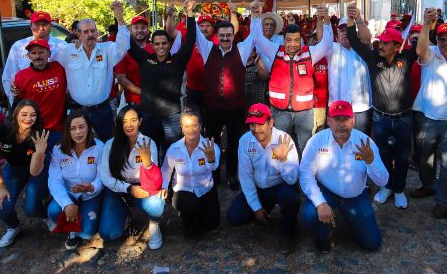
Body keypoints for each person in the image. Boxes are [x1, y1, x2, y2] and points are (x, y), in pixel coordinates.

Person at [347, 9, 418, 209]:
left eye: (386, 43)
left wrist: (429, 24)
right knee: (383, 154)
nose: (381, 45)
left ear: (397, 46)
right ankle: (386, 187)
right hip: (381, 119)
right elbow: (354, 40)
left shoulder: (406, 58)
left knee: (402, 156)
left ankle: (399, 190)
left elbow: (421, 48)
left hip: (403, 119)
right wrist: (353, 19)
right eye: (381, 42)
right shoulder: (373, 59)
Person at [300, 101, 388, 252]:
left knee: (372, 244)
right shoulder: (317, 141)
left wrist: (371, 161)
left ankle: (350, 221)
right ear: (328, 121)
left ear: (353, 120)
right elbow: (306, 174)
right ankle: (325, 231)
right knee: (308, 215)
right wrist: (320, 203)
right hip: (327, 192)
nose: (341, 124)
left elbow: (383, 181)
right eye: (336, 119)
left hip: (355, 196)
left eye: (345, 119)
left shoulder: (365, 143)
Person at [410, 9, 447, 218]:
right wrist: (426, 24)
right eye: (441, 38)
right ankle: (428, 185)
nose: (445, 42)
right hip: (427, 117)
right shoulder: (431, 53)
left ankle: (442, 201)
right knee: (425, 159)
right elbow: (419, 49)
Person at [250, 0, 333, 151]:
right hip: (280, 112)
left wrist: (326, 21)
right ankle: (283, 174)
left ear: (301, 40)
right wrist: (255, 16)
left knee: (305, 148)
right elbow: (257, 38)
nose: (292, 44)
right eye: (288, 40)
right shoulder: (275, 50)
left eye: (296, 40)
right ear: (283, 40)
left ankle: (303, 174)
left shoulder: (309, 53)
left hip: (304, 113)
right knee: (281, 148)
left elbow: (327, 44)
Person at [195, 1, 255, 191]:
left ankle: (231, 173)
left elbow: (255, 35)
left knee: (234, 142)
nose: (226, 38)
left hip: (235, 107)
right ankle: (212, 173)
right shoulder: (207, 49)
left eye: (229, 35)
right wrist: (189, 14)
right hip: (212, 106)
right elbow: (195, 33)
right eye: (222, 36)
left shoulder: (242, 50)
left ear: (233, 35)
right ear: (217, 36)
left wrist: (254, 14)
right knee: (211, 141)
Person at [226, 104, 300, 253]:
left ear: (271, 122)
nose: (256, 129)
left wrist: (284, 160)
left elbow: (292, 179)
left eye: (260, 124)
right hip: (259, 187)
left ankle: (288, 235)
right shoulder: (245, 141)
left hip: (281, 186)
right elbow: (245, 176)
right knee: (234, 216)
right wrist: (256, 207)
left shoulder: (284, 139)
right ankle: (264, 212)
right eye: (252, 124)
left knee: (292, 199)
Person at [129, 0, 197, 160]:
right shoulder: (144, 59)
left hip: (172, 117)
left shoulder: (177, 61)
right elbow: (127, 41)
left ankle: (170, 182)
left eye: (164, 43)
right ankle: (152, 182)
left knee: (171, 154)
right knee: (149, 154)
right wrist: (118, 17)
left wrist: (190, 14)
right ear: (151, 45)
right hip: (148, 115)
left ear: (169, 44)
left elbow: (190, 40)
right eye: (157, 43)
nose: (161, 46)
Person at [53, 1, 130, 141]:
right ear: (78, 34)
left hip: (102, 110)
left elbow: (124, 46)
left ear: (97, 32)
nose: (90, 34)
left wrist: (119, 18)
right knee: (79, 146)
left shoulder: (107, 50)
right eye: (86, 32)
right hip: (78, 110)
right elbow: (44, 54)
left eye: (93, 31)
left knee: (106, 144)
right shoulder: (68, 51)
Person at [100, 105, 165, 249]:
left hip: (143, 186)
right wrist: (129, 189)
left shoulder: (148, 143)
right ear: (119, 123)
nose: (129, 125)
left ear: (140, 121)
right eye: (124, 121)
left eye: (133, 120)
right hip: (118, 188)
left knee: (157, 205)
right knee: (108, 233)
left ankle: (154, 224)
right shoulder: (110, 145)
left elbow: (154, 182)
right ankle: (124, 215)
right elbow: (105, 177)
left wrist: (148, 164)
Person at [0, 100, 50, 248]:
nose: (28, 119)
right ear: (16, 114)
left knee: (30, 208)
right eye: (24, 114)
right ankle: (14, 226)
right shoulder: (1, 131)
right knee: (2, 207)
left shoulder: (39, 134)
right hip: (13, 168)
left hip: (36, 167)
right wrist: (1, 186)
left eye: (33, 115)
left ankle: (44, 215)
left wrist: (40, 151)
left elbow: (34, 171)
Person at [47, 111, 107, 250]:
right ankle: (71, 229)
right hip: (69, 193)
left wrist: (91, 186)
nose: (78, 132)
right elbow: (54, 181)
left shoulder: (99, 147)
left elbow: (102, 176)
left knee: (86, 233)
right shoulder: (58, 149)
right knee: (54, 211)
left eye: (82, 127)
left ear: (89, 127)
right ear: (67, 130)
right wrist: (67, 204)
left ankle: (91, 215)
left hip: (92, 193)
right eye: (73, 128)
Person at [161, 111, 220, 240]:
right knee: (190, 205)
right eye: (187, 126)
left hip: (205, 189)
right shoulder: (174, 148)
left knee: (212, 224)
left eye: (194, 125)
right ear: (182, 128)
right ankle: (187, 222)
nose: (191, 129)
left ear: (200, 126)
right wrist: (164, 186)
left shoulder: (211, 146)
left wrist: (210, 158)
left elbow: (213, 167)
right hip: (183, 191)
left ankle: (198, 214)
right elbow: (166, 169)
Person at [11, 39, 67, 152]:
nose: (37, 56)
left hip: (59, 130)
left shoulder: (60, 68)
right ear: (28, 56)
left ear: (49, 54)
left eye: (41, 52)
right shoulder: (21, 77)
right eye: (33, 53)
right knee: (39, 165)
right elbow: (19, 106)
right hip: (36, 131)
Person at [1, 11, 67, 107]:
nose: (41, 28)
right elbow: (8, 77)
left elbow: (69, 75)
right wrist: (17, 105)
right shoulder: (19, 46)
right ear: (31, 26)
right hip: (29, 106)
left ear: (51, 25)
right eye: (37, 24)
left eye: (45, 24)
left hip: (56, 104)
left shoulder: (63, 46)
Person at [328, 12, 372, 133]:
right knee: (339, 145)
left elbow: (368, 38)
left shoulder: (363, 48)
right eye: (342, 30)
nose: (345, 33)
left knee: (360, 145)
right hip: (337, 108)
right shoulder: (331, 49)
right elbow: (321, 39)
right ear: (337, 35)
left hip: (361, 108)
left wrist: (358, 19)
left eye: (348, 30)